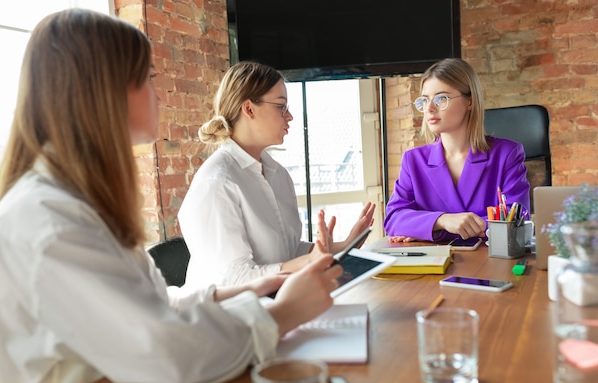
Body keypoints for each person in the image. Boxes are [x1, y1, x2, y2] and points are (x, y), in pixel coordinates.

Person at [0, 10, 343, 383]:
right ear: (106, 90)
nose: (160, 94)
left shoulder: (73, 202)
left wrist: (242, 290)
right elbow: (161, 354)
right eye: (149, 79)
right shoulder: (48, 221)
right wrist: (283, 314)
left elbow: (142, 306)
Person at [179, 61, 375, 287]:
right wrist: (308, 262)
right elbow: (233, 279)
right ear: (249, 109)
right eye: (281, 106)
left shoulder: (278, 175)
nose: (289, 116)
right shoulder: (216, 183)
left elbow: (288, 251)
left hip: (278, 304)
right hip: (229, 317)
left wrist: (344, 245)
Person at [383, 58, 530, 242]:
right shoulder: (413, 160)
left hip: (489, 263)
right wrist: (442, 220)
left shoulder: (507, 154)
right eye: (424, 100)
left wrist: (425, 228)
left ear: (470, 101)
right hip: (435, 266)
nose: (429, 108)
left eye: (441, 98)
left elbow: (518, 220)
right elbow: (393, 219)